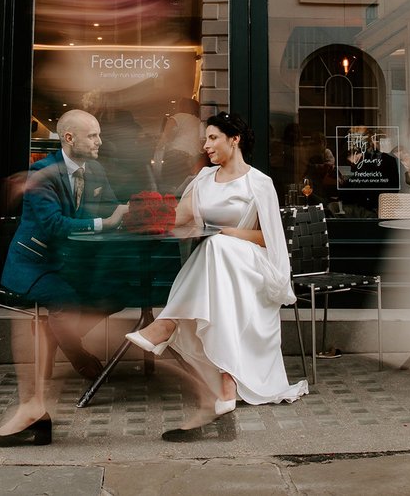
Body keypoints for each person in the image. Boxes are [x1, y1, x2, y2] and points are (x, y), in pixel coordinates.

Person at [124, 111, 308, 441]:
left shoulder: (259, 183)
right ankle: (227, 379)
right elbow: (179, 219)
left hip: (251, 262)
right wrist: (143, 212)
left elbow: (268, 239)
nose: (206, 145)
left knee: (217, 245)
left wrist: (225, 232)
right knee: (214, 251)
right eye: (205, 139)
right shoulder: (204, 179)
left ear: (234, 140)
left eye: (213, 138)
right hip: (216, 265)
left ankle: (168, 322)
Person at [0, 109, 128, 448]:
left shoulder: (96, 169)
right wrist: (105, 223)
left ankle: (56, 352)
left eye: (99, 134)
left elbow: (113, 208)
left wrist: (133, 213)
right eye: (93, 135)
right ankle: (77, 358)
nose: (100, 141)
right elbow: (55, 226)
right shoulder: (40, 172)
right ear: (69, 138)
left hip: (70, 264)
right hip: (34, 264)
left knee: (117, 293)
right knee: (67, 302)